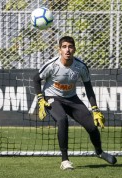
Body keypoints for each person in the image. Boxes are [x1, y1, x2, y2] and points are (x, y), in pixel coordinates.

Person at [33, 36, 117, 170]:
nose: (67, 50)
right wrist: (40, 98)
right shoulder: (51, 65)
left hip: (72, 98)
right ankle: (65, 160)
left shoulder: (80, 66)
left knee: (92, 126)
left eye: (70, 47)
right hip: (52, 98)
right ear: (59, 50)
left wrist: (95, 109)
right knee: (62, 119)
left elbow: (88, 88)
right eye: (64, 47)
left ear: (75, 49)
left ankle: (100, 152)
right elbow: (36, 79)